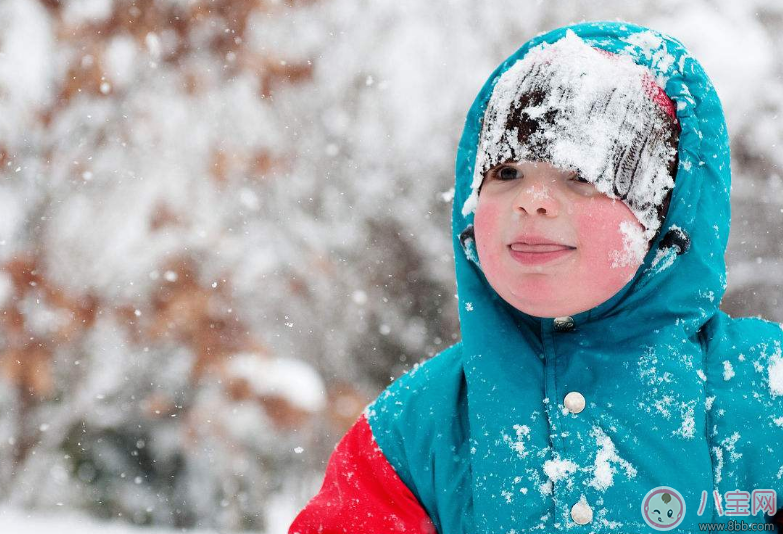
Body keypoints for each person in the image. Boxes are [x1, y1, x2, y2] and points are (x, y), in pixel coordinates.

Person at [289, 21, 783, 534]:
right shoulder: (417, 426)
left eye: (580, 177)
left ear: (664, 224)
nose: (533, 200)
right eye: (506, 173)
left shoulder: (762, 390)